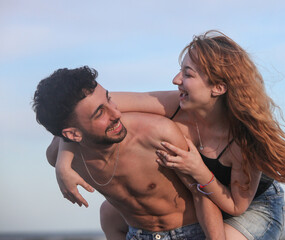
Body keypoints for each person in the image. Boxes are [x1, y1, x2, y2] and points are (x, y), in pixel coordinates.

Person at [54, 30, 285, 240]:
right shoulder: (173, 105)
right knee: (108, 213)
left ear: (218, 88)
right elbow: (90, 114)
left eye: (187, 74)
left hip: (250, 206)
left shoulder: (244, 138)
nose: (176, 80)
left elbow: (235, 205)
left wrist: (199, 171)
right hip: (204, 197)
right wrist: (63, 165)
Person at [33, 66, 227, 240]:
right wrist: (62, 165)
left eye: (110, 99)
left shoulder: (157, 134)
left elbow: (202, 194)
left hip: (190, 232)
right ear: (73, 134)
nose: (117, 114)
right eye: (100, 113)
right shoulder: (63, 158)